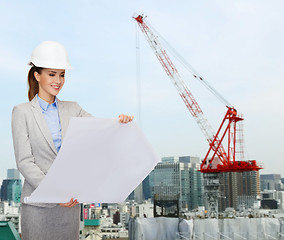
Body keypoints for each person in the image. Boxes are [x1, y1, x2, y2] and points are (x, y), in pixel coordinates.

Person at [11, 41, 133, 240]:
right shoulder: (21, 112)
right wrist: (54, 194)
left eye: (62, 74)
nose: (58, 80)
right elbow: (25, 162)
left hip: (69, 207)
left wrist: (119, 122)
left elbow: (100, 130)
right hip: (39, 207)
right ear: (37, 75)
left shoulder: (73, 108)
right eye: (52, 74)